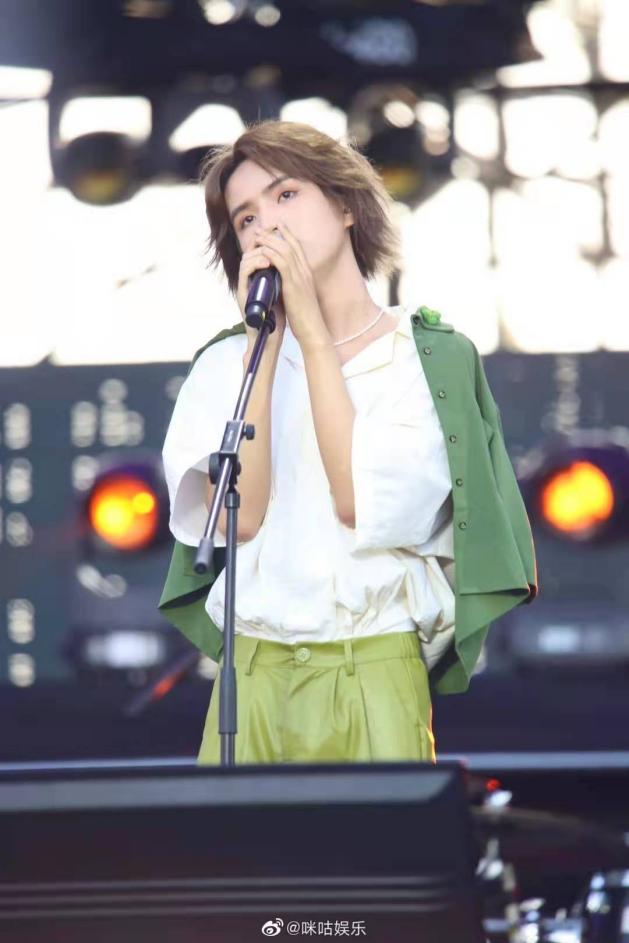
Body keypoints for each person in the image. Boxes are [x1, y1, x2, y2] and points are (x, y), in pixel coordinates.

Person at [159, 119, 538, 766]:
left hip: (375, 663)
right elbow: (239, 518)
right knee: (234, 835)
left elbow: (358, 501)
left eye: (285, 195)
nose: (268, 225)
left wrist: (311, 334)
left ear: (344, 206)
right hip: (251, 671)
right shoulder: (226, 365)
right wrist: (264, 347)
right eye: (245, 218)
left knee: (380, 835)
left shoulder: (423, 357)